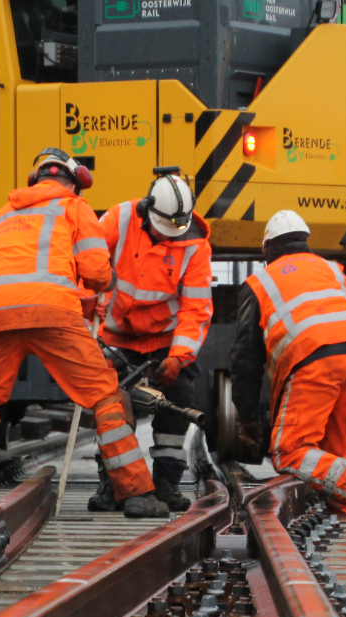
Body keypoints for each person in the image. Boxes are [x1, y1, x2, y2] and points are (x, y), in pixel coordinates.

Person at [0, 148, 167, 518]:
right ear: (73, 184)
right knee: (105, 397)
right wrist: (107, 281)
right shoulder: (74, 209)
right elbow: (95, 273)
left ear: (36, 179)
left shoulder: (0, 217)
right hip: (53, 312)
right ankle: (136, 494)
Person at [230, 210, 346, 518]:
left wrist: (248, 418)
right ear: (306, 243)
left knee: (290, 450)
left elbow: (245, 359)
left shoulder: (261, 282)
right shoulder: (334, 270)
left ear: (267, 249)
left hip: (315, 357)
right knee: (337, 455)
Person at [87, 168, 213, 513]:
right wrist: (88, 299)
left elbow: (196, 309)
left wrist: (179, 357)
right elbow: (85, 263)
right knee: (110, 406)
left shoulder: (196, 245)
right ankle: (111, 482)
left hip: (164, 339)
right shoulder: (120, 219)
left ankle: (167, 485)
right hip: (115, 335)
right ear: (148, 208)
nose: (168, 236)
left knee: (177, 403)